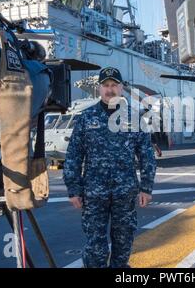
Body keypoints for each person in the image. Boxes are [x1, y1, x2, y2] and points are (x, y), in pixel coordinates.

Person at [63, 67, 156, 268]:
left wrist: (146, 188)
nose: (110, 89)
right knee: (95, 246)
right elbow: (74, 155)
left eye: (114, 85)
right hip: (94, 193)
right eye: (106, 85)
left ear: (122, 88)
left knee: (123, 243)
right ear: (99, 88)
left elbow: (146, 154)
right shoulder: (86, 118)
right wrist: (73, 189)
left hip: (125, 192)